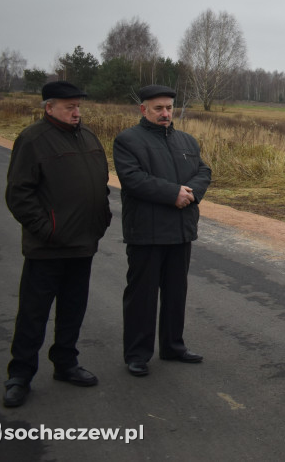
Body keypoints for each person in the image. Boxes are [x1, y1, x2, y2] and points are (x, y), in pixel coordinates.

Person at [3, 81, 112, 408]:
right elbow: (18, 194)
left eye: (78, 106)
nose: (76, 112)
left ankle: (65, 363)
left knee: (72, 309)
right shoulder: (33, 139)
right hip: (47, 247)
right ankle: (20, 375)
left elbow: (101, 185)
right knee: (33, 313)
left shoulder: (89, 137)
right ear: (49, 107)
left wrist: (102, 218)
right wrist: (47, 230)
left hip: (83, 245)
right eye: (69, 107)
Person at [114, 84, 211, 377]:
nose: (165, 113)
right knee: (142, 296)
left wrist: (191, 191)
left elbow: (204, 171)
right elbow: (132, 179)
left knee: (175, 292)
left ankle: (173, 345)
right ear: (143, 109)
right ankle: (137, 354)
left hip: (181, 231)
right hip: (146, 231)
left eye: (169, 107)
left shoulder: (186, 141)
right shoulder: (128, 141)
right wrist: (173, 193)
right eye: (158, 108)